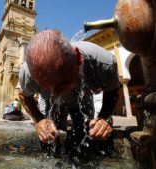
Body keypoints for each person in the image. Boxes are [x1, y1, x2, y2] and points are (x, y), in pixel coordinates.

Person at [19, 30, 119, 163]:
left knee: (86, 134)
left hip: (82, 101)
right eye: (47, 86)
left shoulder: (102, 63)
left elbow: (113, 91)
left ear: (78, 58)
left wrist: (103, 117)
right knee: (51, 137)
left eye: (62, 84)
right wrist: (39, 120)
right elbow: (24, 96)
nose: (56, 93)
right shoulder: (28, 72)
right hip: (52, 105)